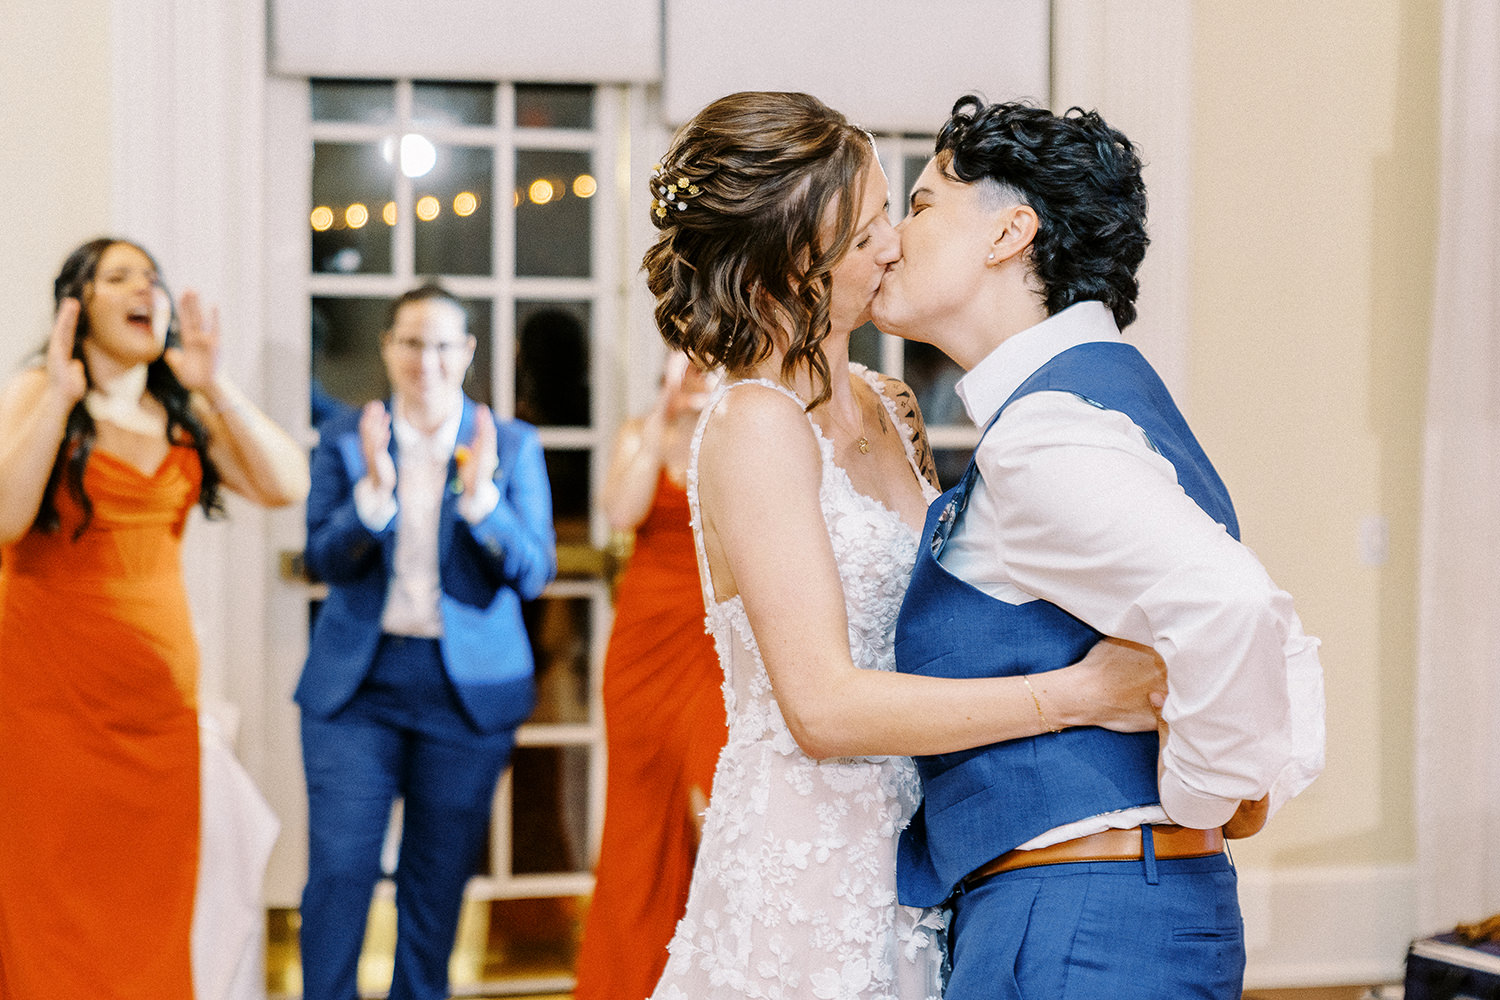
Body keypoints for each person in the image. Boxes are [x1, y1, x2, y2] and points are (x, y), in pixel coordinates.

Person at [639, 91, 1170, 1000]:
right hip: (810, 860)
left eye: (891, 212)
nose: (894, 244)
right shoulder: (753, 426)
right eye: (865, 232)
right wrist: (1079, 694)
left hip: (923, 844)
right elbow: (823, 710)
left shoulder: (891, 405)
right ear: (788, 268)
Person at [872, 97, 1327, 1000]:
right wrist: (1248, 791)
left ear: (1010, 233)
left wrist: (1202, 796)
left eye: (920, 205)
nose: (891, 239)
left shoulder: (1045, 431)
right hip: (1114, 910)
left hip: (1078, 923)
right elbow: (1281, 633)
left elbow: (1235, 607)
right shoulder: (1103, 396)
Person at [0, 236, 310, 998]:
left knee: (150, 902)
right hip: (49, 703)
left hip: (158, 711)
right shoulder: (39, 389)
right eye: (119, 277)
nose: (146, 289)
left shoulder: (183, 412)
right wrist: (61, 398)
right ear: (77, 305)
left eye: (153, 278)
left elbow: (286, 485)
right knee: (53, 902)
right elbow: (6, 518)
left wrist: (215, 383)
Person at [295, 283, 556, 1000]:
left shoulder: (512, 445)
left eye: (443, 344)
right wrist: (371, 500)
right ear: (388, 348)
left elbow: (534, 571)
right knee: (339, 873)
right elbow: (321, 559)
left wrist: (483, 504)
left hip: (465, 697)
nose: (427, 360)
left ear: (467, 351)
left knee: (435, 885)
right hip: (357, 692)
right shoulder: (347, 439)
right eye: (411, 342)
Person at [573, 352, 726, 1000]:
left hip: (718, 637)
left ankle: (716, 974)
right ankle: (632, 981)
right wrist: (664, 415)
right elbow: (620, 512)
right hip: (645, 638)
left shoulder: (743, 431)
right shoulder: (642, 431)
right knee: (638, 819)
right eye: (685, 354)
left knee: (718, 800)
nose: (697, 366)